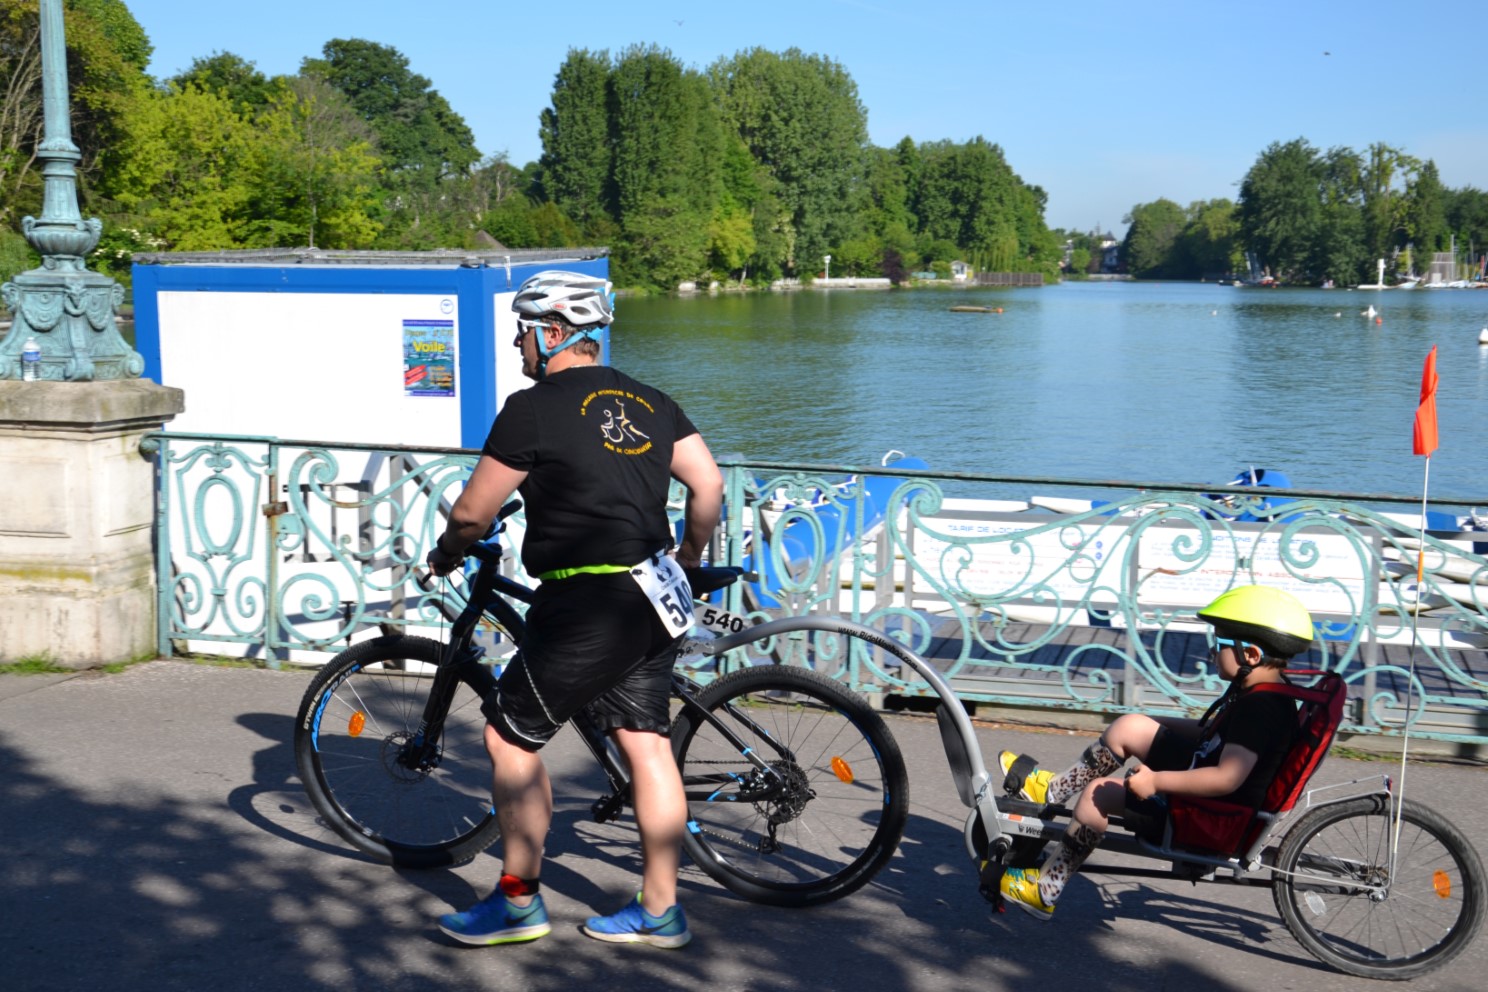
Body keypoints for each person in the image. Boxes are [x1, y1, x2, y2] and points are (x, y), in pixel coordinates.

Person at [425, 270, 724, 948]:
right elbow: (708, 484)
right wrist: (693, 559)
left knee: (508, 737)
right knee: (646, 745)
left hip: (588, 599)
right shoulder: (652, 402)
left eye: (522, 332)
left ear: (553, 333)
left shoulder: (532, 407)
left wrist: (449, 548)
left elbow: (474, 511)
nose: (516, 346)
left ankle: (518, 903)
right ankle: (659, 911)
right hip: (653, 592)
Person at [997, 584, 1314, 920]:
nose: (1211, 652)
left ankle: (1046, 888)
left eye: (1218, 644)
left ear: (1250, 655)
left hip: (1208, 815)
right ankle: (1050, 791)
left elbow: (1227, 778)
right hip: (1202, 774)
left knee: (1097, 795)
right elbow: (1217, 735)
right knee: (1129, 728)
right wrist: (1150, 723)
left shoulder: (1260, 709)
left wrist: (1156, 782)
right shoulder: (1263, 690)